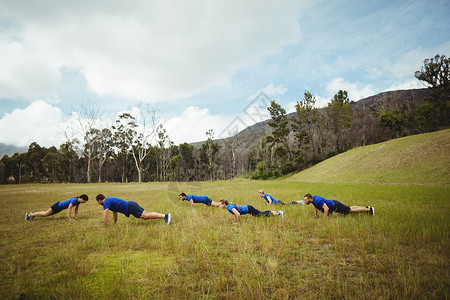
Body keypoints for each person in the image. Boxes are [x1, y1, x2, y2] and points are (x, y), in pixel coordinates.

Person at [96, 194, 171, 227]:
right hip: (130, 204)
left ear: (99, 200)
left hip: (130, 207)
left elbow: (105, 215)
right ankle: (164, 216)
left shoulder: (106, 202)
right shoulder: (109, 200)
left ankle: (165, 216)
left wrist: (105, 227)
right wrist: (114, 223)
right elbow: (114, 213)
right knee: (146, 215)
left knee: (145, 216)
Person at [303, 193, 374, 218]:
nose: (304, 201)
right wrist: (315, 215)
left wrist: (324, 219)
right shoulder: (313, 200)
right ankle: (366, 207)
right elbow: (315, 206)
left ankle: (369, 210)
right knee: (350, 208)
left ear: (309, 198)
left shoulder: (317, 200)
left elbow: (326, 208)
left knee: (350, 210)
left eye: (305, 200)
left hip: (336, 205)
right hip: (334, 204)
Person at [218, 199, 283, 223]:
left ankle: (278, 214)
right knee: (261, 213)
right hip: (248, 208)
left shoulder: (229, 207)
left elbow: (238, 214)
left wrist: (238, 222)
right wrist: (234, 221)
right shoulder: (228, 207)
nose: (219, 205)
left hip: (249, 209)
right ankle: (277, 212)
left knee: (262, 215)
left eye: (220, 204)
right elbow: (234, 214)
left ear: (224, 204)